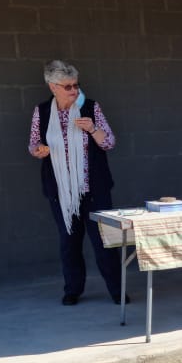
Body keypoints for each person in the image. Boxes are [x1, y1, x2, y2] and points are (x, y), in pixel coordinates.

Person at [28, 60, 123, 306]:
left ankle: (117, 290)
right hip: (61, 191)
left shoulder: (90, 107)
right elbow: (34, 143)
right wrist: (38, 150)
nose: (73, 91)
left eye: (76, 85)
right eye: (67, 86)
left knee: (104, 242)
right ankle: (73, 290)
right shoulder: (43, 111)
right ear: (53, 87)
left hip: (94, 189)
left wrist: (92, 129)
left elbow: (109, 142)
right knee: (69, 242)